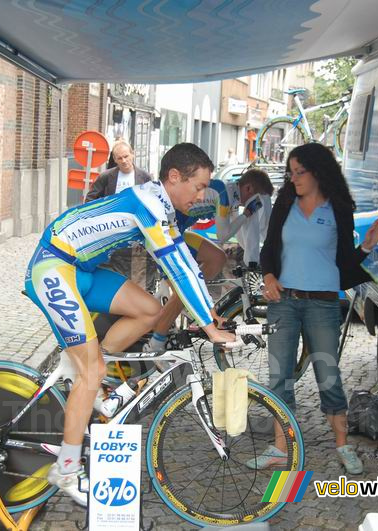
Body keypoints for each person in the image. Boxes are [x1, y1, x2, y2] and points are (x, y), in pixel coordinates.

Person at [25, 142, 235, 506]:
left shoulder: (162, 205)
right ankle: (66, 469)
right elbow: (176, 267)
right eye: (199, 186)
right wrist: (209, 327)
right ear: (174, 177)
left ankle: (89, 372)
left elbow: (188, 262)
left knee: (149, 310)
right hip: (54, 267)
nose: (203, 196)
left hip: (82, 270)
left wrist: (209, 312)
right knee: (91, 371)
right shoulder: (149, 204)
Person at [251, 142, 378, 474]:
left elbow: (345, 262)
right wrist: (269, 276)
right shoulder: (285, 202)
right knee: (279, 376)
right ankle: (280, 448)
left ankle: (343, 446)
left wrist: (366, 247)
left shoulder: (337, 208)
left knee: (328, 376)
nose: (294, 178)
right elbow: (269, 248)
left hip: (323, 304)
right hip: (284, 302)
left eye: (300, 172)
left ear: (318, 172)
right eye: (291, 173)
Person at [144, 168, 272, 352]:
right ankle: (156, 342)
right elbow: (223, 235)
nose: (257, 204)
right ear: (249, 188)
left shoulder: (233, 195)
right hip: (162, 232)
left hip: (177, 230)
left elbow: (237, 233)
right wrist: (246, 214)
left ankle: (192, 302)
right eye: (257, 198)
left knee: (217, 257)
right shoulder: (225, 194)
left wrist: (253, 258)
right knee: (184, 290)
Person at [85, 141, 156, 291]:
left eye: (126, 156)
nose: (124, 161)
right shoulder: (106, 177)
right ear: (115, 159)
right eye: (120, 158)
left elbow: (154, 204)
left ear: (132, 154)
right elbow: (90, 201)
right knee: (113, 274)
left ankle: (138, 298)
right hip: (112, 235)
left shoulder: (145, 177)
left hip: (137, 236)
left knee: (138, 276)